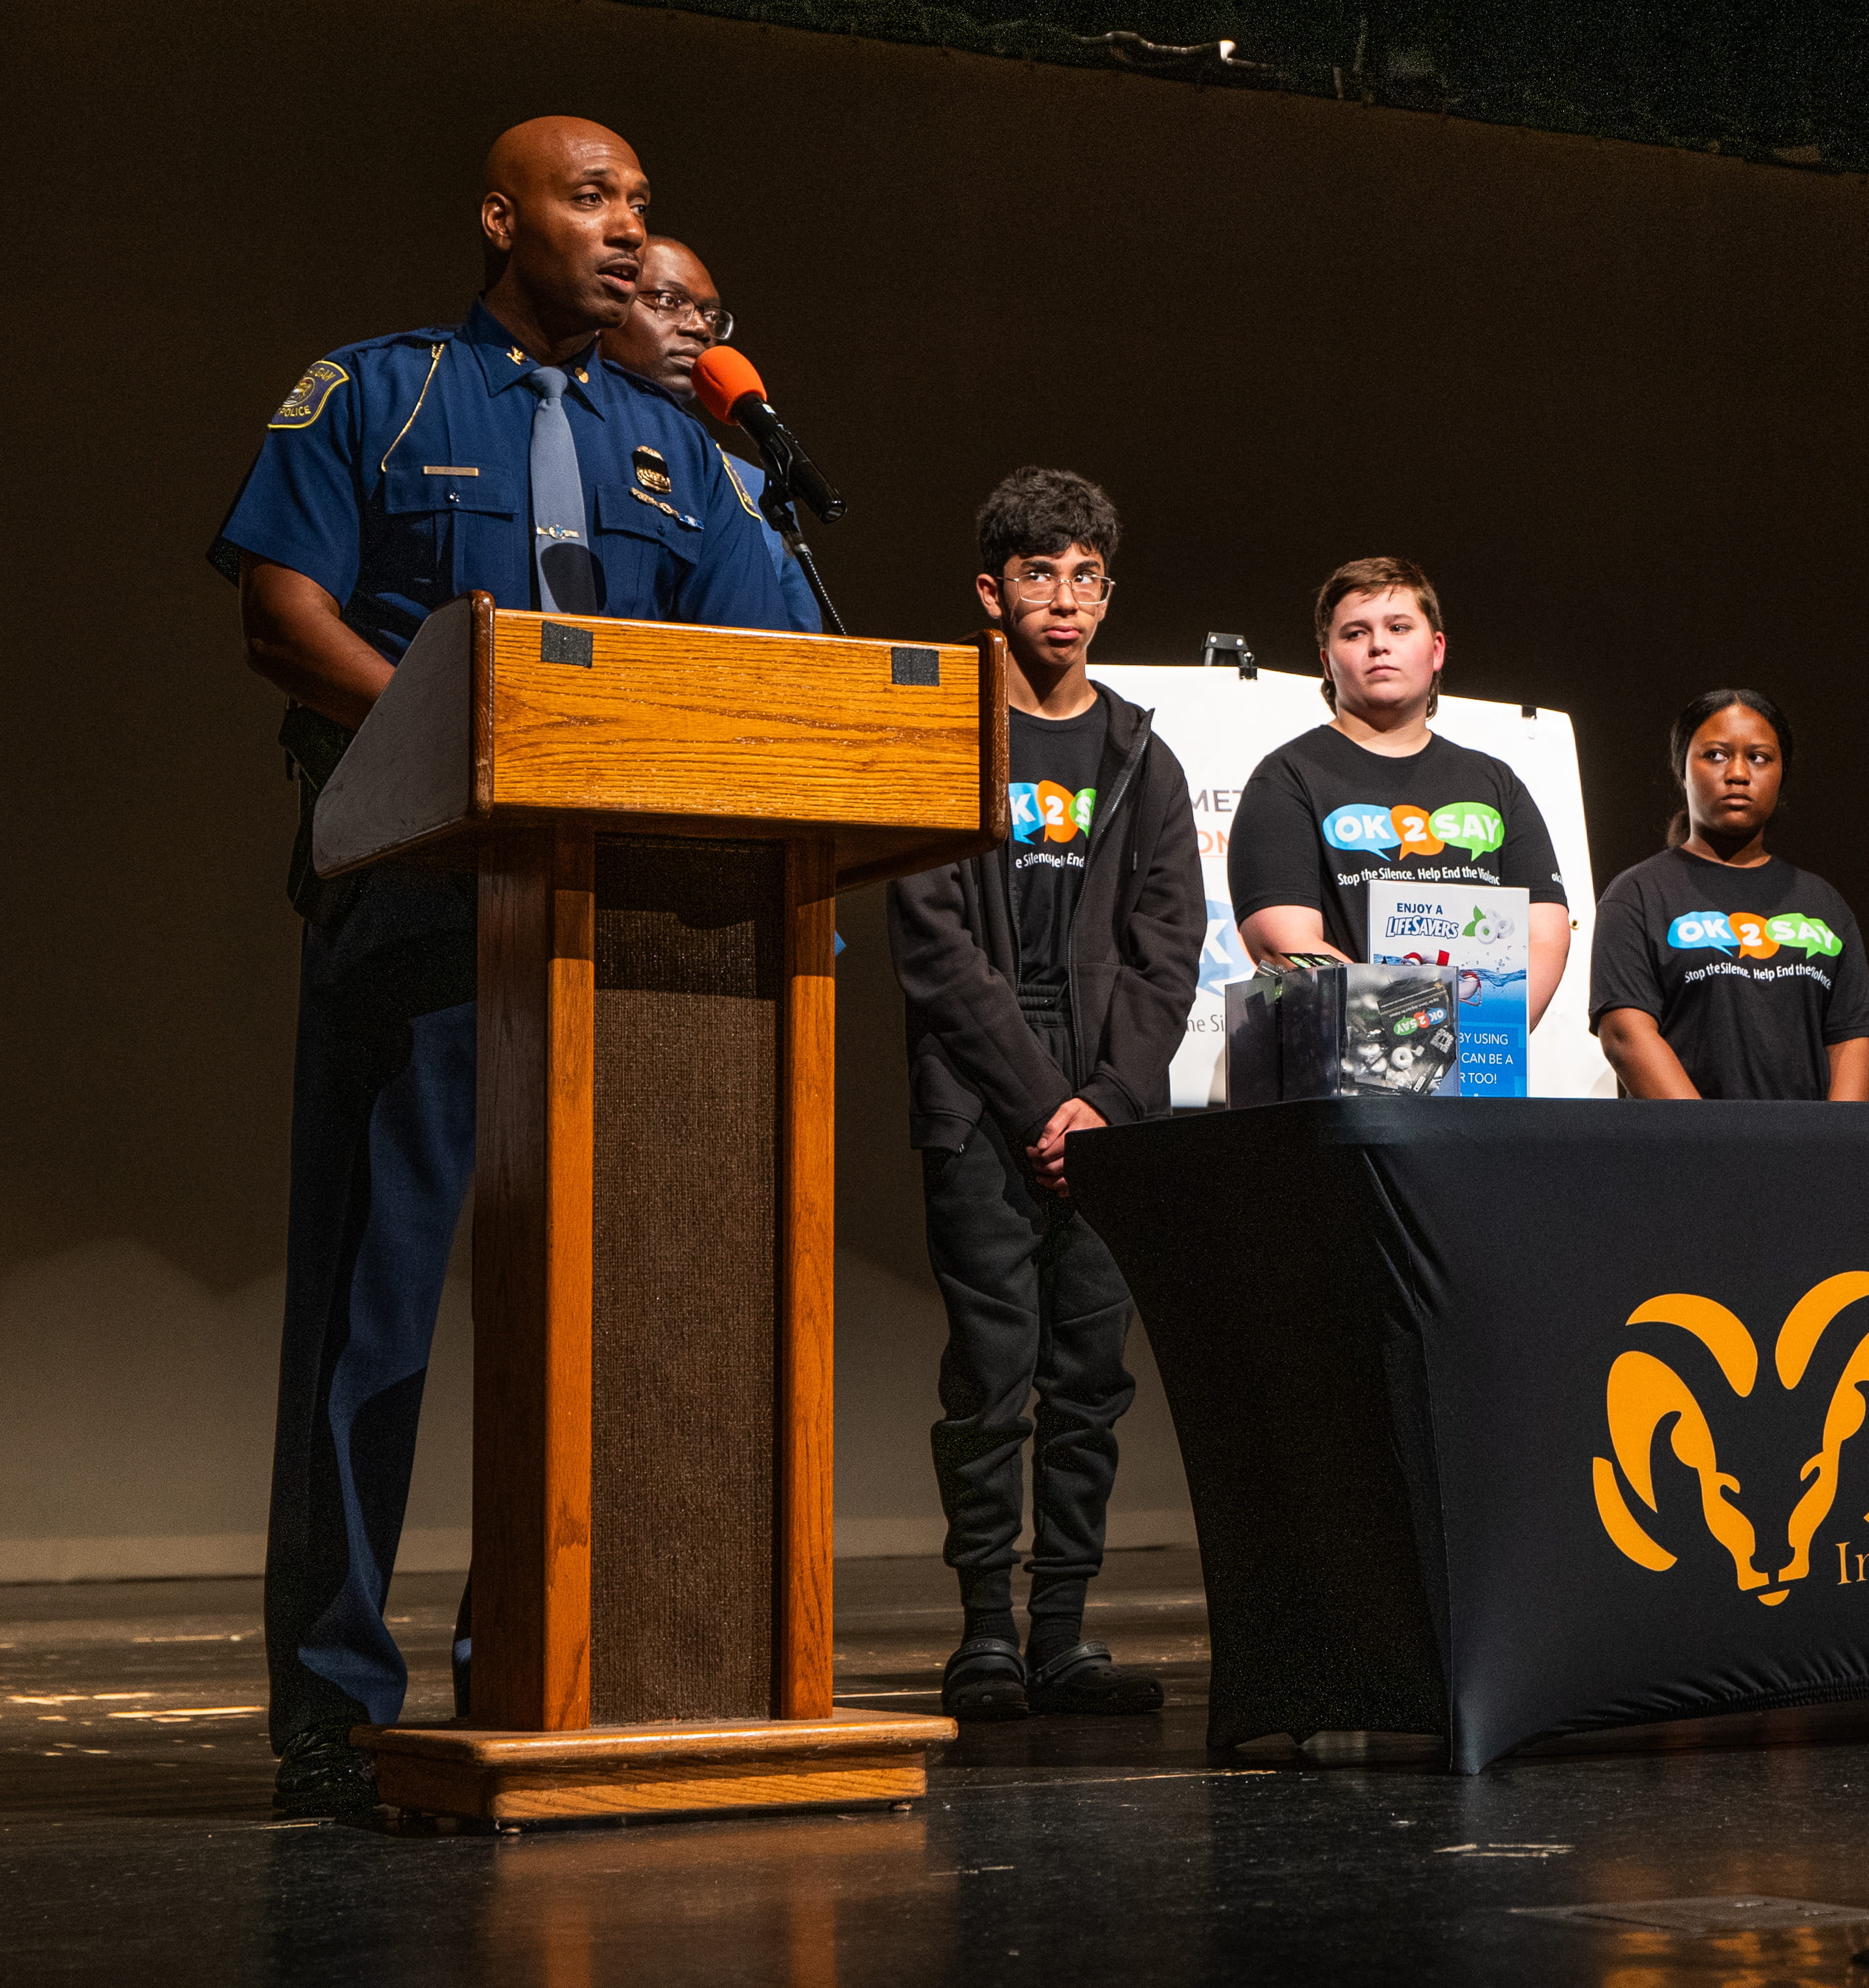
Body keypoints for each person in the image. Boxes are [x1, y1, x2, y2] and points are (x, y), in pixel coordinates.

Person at [209, 117, 797, 1815]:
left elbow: (763, 670)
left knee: (613, 1324)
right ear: (500, 217)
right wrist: (468, 737)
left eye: (641, 207)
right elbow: (282, 614)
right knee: (370, 1318)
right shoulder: (378, 392)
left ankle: (536, 1669)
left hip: (623, 941)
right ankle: (334, 1707)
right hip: (417, 910)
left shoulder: (669, 442)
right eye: (590, 199)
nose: (625, 231)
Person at [888, 468, 1203, 1721]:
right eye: (1037, 576)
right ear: (991, 590)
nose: (1062, 602)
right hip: (982, 1104)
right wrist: (1038, 1102)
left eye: (1084, 579)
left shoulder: (1141, 752)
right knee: (992, 1370)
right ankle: (983, 1636)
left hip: (1110, 1113)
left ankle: (1063, 1632)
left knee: (1092, 1376)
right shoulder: (949, 732)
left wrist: (1106, 1103)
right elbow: (932, 946)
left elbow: (1166, 944)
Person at [1227, 558, 1570, 1023]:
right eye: (1355, 633)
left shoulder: (1496, 784)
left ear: (1437, 650)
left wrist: (1488, 1029)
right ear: (1327, 663)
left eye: (1399, 627)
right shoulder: (1288, 778)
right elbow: (1282, 943)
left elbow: (1546, 934)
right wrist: (1401, 1023)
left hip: (1478, 1063)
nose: (1379, 646)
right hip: (1347, 1075)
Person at [1590, 690, 1869, 1099]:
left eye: (1759, 757)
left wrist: (1832, 1151)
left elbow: (1851, 1038)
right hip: (1689, 1154)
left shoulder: (1823, 905)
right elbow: (1624, 1035)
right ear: (1683, 771)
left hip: (1806, 1157)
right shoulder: (1637, 895)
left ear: (1782, 773)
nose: (1739, 773)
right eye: (1716, 755)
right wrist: (1713, 1145)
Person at [595, 233, 823, 631]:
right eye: (670, 301)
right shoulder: (564, 442)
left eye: (712, 315)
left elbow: (799, 653)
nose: (701, 328)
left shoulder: (754, 487)